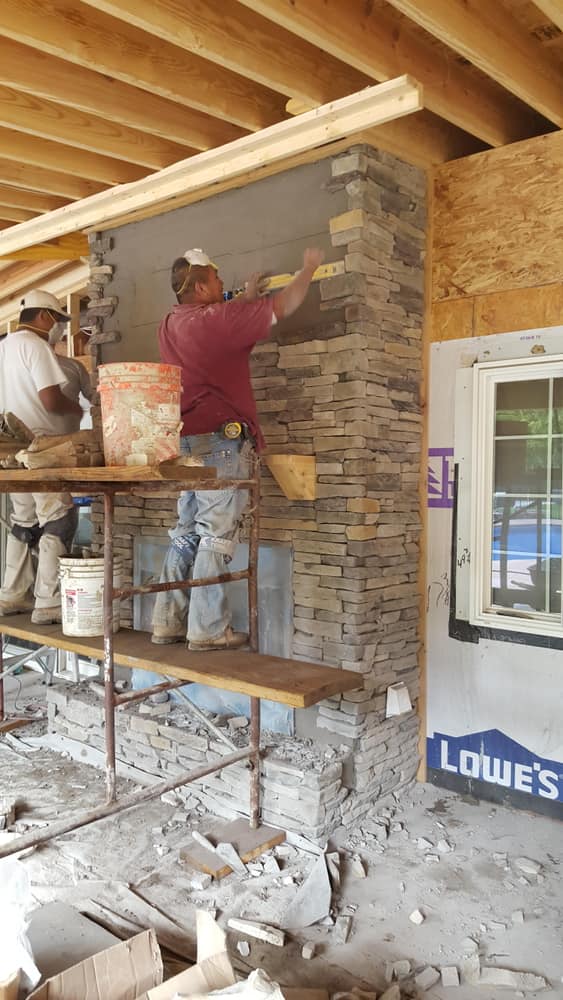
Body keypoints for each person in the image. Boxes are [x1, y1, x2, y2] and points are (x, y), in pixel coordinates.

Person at [152, 245, 324, 650]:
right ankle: (208, 630)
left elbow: (219, 323)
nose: (222, 282)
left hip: (185, 441)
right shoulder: (218, 320)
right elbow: (285, 304)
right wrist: (308, 268)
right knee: (217, 534)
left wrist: (244, 298)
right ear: (198, 285)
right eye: (215, 277)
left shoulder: (170, 323)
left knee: (187, 531)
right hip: (221, 442)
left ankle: (167, 622)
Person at [0, 289, 83, 624]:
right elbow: (50, 399)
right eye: (59, 322)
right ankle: (48, 601)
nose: (59, 330)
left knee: (24, 520)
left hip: (9, 448)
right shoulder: (35, 347)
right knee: (59, 516)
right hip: (41, 446)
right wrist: (78, 408)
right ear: (46, 317)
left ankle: (12, 594)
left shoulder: (3, 347)